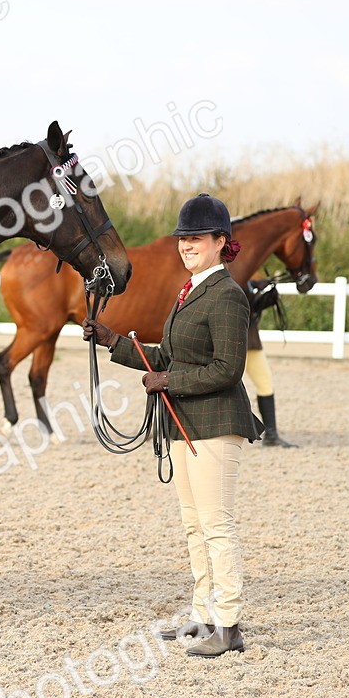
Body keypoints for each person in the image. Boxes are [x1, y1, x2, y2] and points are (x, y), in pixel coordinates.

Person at [82, 193, 263, 658]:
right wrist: (112, 340)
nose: (187, 246)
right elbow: (164, 356)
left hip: (216, 426)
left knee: (216, 525)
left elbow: (228, 369)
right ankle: (204, 615)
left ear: (221, 242)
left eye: (196, 238)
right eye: (184, 239)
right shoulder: (189, 292)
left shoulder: (227, 295)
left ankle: (228, 624)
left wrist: (169, 380)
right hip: (182, 424)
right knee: (193, 525)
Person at [246, 278, 297, 447]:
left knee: (265, 381)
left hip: (250, 341)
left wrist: (264, 293)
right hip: (239, 341)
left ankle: (271, 434)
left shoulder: (244, 277)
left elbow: (252, 306)